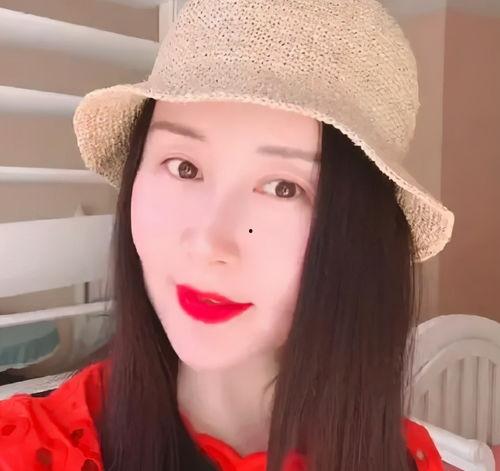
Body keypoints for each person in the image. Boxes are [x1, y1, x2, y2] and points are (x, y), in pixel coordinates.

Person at [0, 0, 455, 470]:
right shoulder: (34, 449)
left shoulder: (406, 457)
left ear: (361, 238)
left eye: (283, 188)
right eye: (184, 167)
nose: (208, 243)